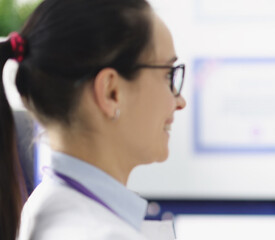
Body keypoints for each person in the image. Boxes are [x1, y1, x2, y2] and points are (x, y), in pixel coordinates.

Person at [0, 0, 187, 238]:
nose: (180, 101)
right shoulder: (103, 233)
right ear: (111, 92)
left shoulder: (43, 205)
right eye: (168, 75)